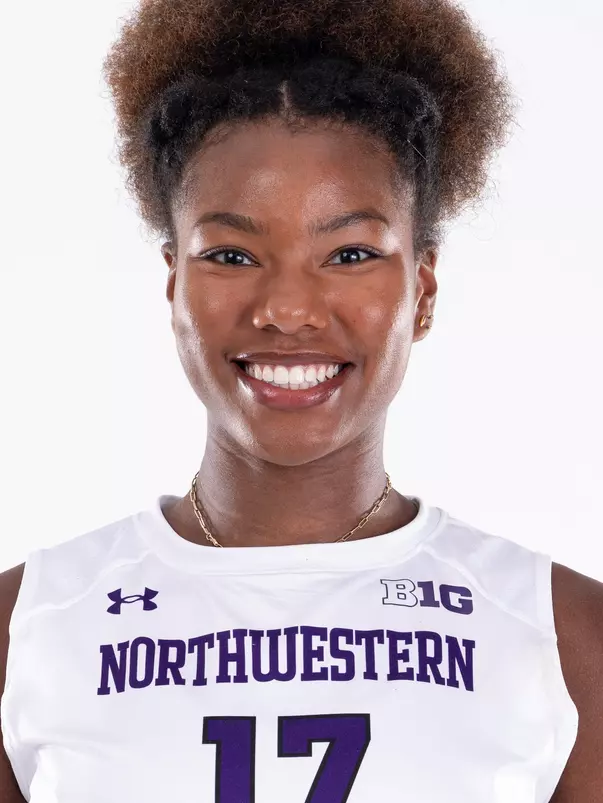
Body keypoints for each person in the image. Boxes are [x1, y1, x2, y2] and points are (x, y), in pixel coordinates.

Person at [1, 0, 602, 800]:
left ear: (420, 291)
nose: (287, 308)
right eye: (231, 253)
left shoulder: (564, 636)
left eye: (349, 252)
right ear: (174, 282)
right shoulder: (27, 627)